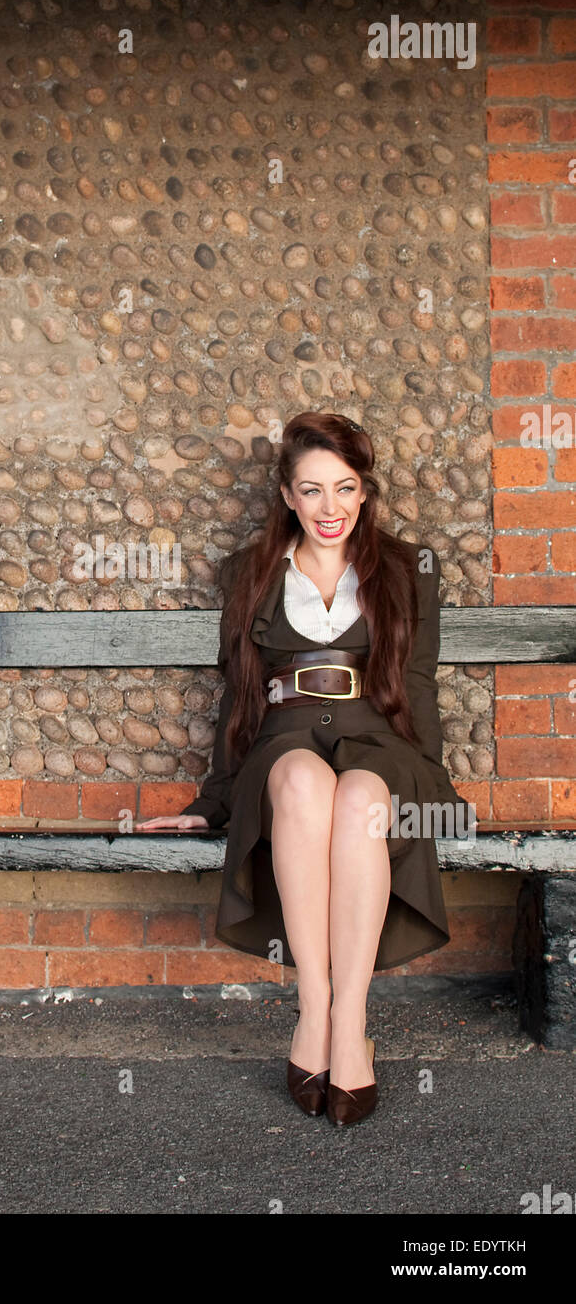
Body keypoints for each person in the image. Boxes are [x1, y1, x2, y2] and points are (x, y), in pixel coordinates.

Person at [136, 411, 472, 1126]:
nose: (331, 508)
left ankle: (350, 1027)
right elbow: (239, 690)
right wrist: (215, 801)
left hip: (381, 746)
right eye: (312, 490)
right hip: (284, 736)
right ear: (287, 495)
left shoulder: (409, 569)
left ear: (365, 492)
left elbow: (418, 686)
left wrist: (433, 791)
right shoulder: (250, 574)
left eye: (345, 489)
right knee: (300, 782)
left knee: (358, 801)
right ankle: (313, 1013)